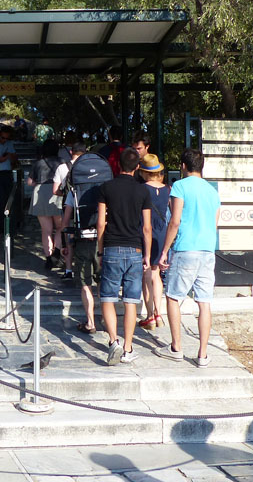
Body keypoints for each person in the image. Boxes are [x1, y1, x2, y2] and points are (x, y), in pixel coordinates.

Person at [153, 148, 221, 367]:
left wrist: (164, 250)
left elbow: (175, 220)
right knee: (204, 302)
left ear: (183, 166)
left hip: (186, 248)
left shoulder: (180, 186)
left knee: (173, 297)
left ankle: (176, 347)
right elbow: (215, 223)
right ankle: (202, 354)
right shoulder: (212, 192)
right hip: (207, 250)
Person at [97, 148, 152, 365]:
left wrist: (100, 249)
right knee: (131, 300)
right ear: (137, 167)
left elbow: (101, 222)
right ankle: (128, 348)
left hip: (112, 246)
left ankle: (113, 341)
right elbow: (146, 227)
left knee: (108, 297)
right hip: (135, 249)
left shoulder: (106, 188)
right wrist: (147, 255)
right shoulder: (143, 191)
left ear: (118, 165)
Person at [137, 154, 169, 330]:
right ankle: (159, 313)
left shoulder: (142, 189)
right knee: (156, 274)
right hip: (162, 232)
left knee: (146, 274)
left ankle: (149, 315)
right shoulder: (167, 189)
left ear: (144, 172)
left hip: (146, 230)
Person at [61, 189, 99, 333]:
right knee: (102, 280)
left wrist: (66, 245)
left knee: (85, 283)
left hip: (82, 240)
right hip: (101, 240)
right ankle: (104, 316)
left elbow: (65, 223)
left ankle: (90, 322)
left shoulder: (74, 192)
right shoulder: (105, 187)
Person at [27, 138, 64, 269]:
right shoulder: (61, 162)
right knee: (60, 227)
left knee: (46, 230)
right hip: (57, 193)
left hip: (40, 194)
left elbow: (29, 182)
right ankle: (57, 254)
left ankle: (48, 258)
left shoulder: (38, 163)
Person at [53, 141, 87, 280]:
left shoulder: (62, 167)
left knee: (69, 238)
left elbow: (55, 191)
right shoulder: (88, 166)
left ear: (71, 152)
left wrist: (68, 196)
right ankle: (85, 269)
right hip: (85, 208)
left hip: (68, 207)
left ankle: (68, 270)